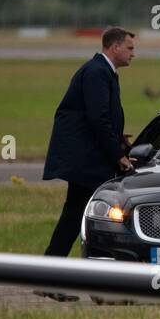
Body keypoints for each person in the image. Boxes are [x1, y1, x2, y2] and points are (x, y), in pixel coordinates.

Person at [42, 26, 136, 257]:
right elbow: (97, 118)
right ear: (115, 47)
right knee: (88, 216)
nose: (133, 53)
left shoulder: (104, 70)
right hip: (86, 161)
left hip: (88, 159)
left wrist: (118, 139)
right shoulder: (97, 72)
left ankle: (49, 274)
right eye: (130, 48)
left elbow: (96, 118)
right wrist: (118, 155)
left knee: (74, 216)